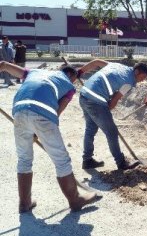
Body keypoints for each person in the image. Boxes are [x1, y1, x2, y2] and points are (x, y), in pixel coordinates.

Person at [0, 60, 99, 213]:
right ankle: (75, 200)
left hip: (19, 112)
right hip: (43, 114)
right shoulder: (69, 85)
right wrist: (42, 130)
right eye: (74, 78)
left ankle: (24, 203)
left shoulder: (33, 72)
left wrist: (34, 128)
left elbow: (4, 65)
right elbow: (59, 110)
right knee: (61, 160)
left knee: (24, 159)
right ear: (70, 75)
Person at [79, 60, 147, 170]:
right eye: (143, 77)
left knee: (90, 128)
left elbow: (96, 62)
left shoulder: (117, 65)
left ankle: (87, 160)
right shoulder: (128, 82)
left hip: (84, 95)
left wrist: (80, 71)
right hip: (96, 101)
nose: (143, 80)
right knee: (111, 132)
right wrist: (106, 111)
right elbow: (114, 100)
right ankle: (121, 163)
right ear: (136, 72)